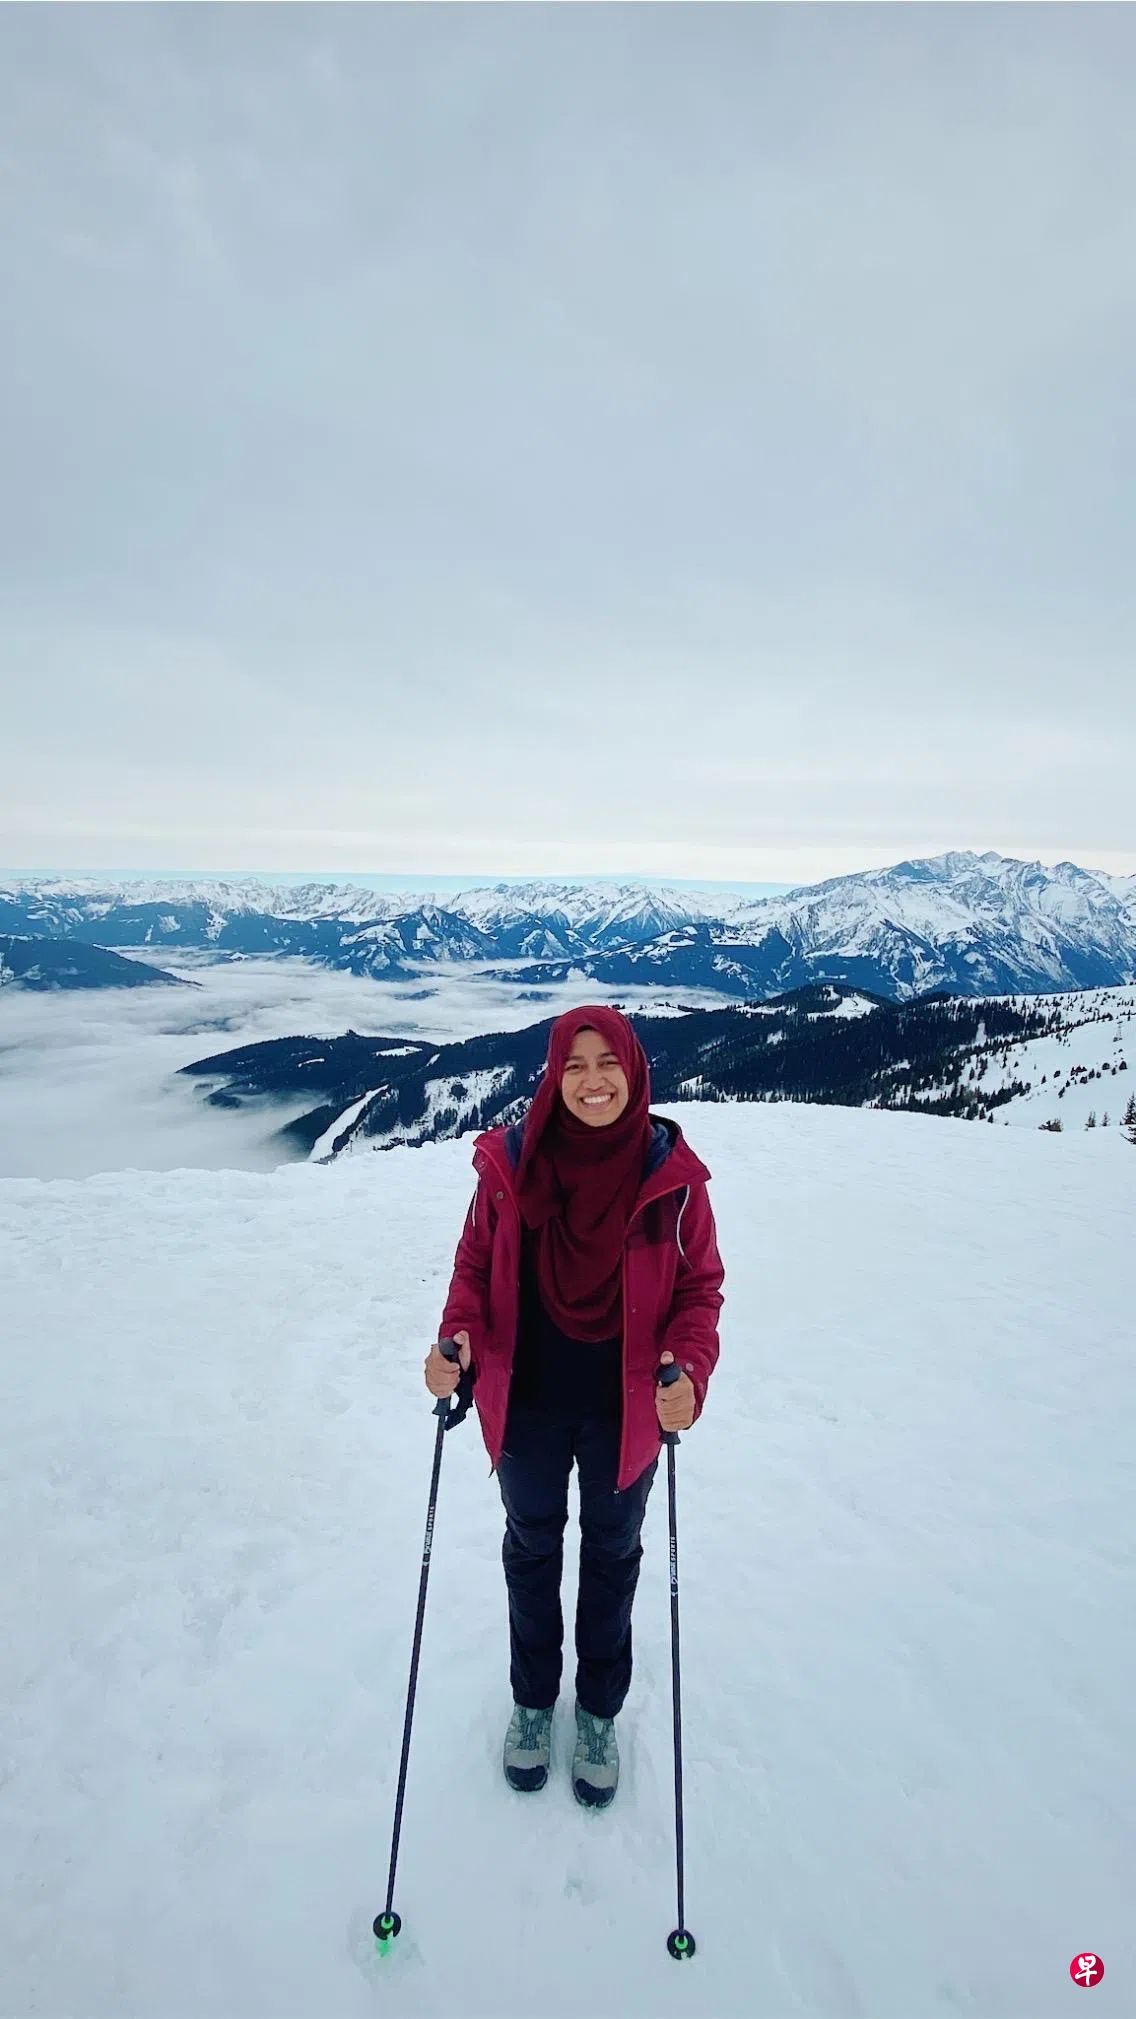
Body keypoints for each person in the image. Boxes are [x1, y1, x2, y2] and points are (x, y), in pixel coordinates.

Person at [425, 1004, 724, 1809]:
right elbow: (473, 1269)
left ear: (635, 1069)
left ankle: (596, 1710)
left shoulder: (672, 1181)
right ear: (554, 1075)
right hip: (527, 1401)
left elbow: (700, 1291)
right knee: (531, 1549)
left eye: (608, 1063)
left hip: (628, 1407)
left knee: (613, 1554)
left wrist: (689, 1370)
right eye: (575, 1065)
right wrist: (457, 1340)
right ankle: (533, 1697)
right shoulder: (511, 1167)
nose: (592, 1081)